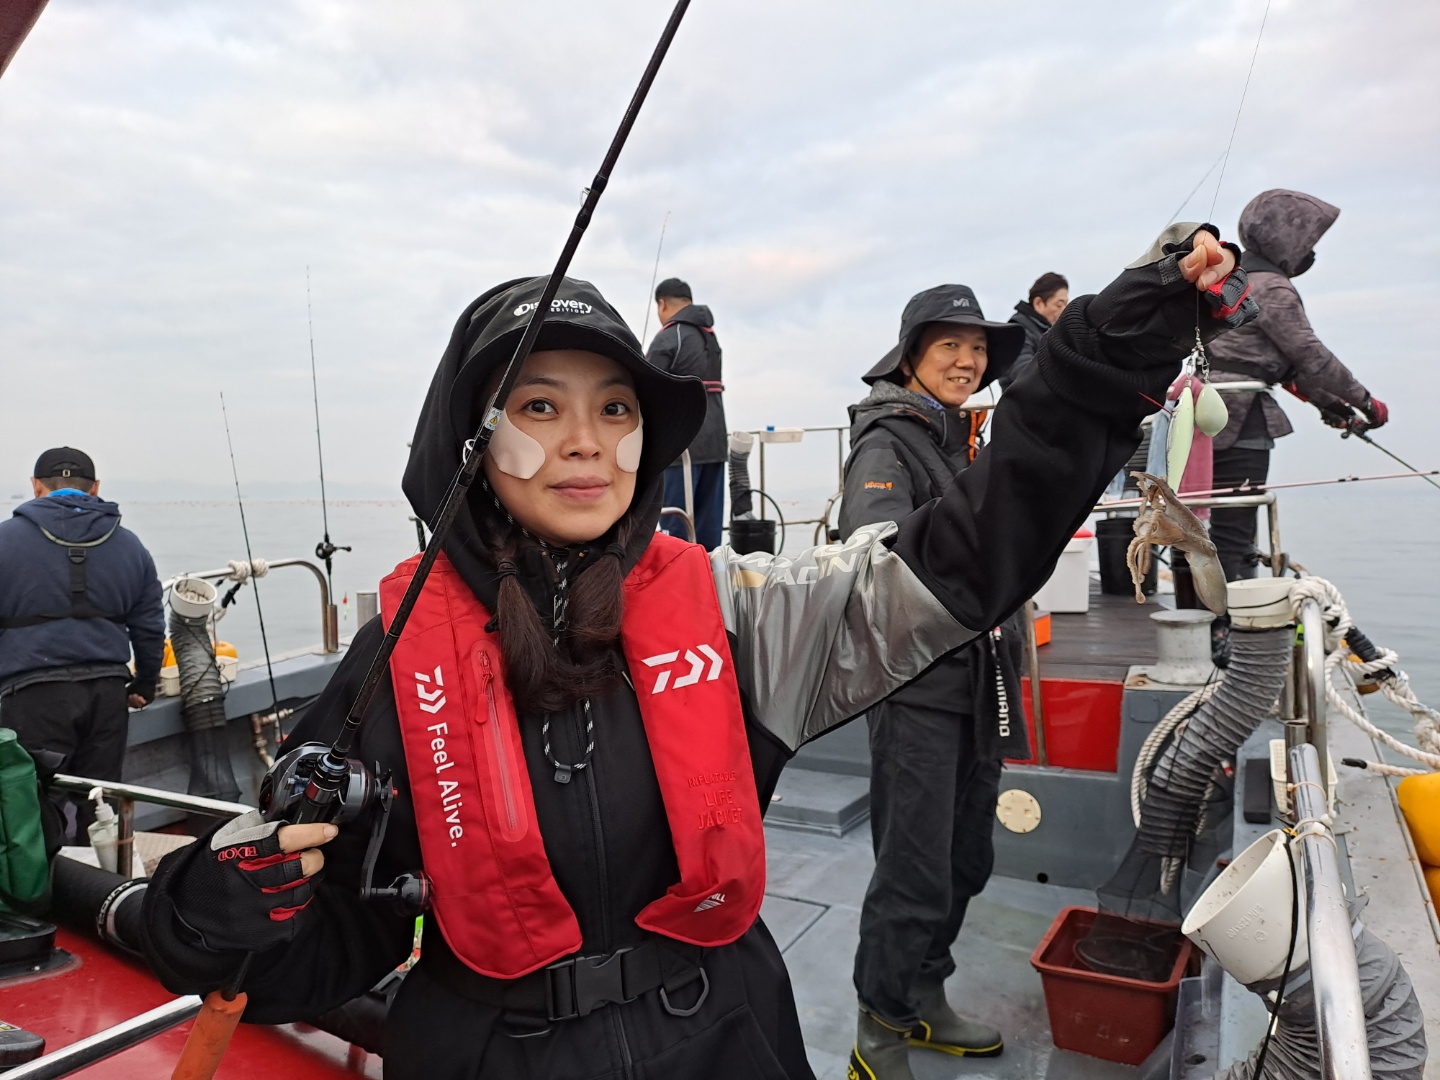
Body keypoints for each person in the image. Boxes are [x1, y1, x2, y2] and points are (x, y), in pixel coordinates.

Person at [139, 227, 1251, 1080]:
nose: (587, 440)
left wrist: (1108, 352)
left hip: (726, 1036)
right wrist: (214, 913)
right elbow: (333, 942)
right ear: (469, 441)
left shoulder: (738, 614)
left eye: (617, 408)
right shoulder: (395, 658)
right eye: (539, 405)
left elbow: (966, 553)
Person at [840, 285, 1029, 1072]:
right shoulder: (888, 440)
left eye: (978, 348)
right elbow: (872, 544)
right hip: (918, 685)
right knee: (913, 870)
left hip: (979, 682)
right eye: (950, 344)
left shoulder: (957, 440)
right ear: (912, 354)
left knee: (965, 857)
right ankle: (878, 1029)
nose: (968, 360)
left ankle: (924, 996)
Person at [1206, 189, 1388, 581]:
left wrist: (1335, 407)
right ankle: (1232, 616)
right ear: (1286, 239)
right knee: (1234, 534)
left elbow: (1286, 369)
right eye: (1308, 242)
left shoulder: (1230, 279)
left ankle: (1213, 612)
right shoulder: (1272, 287)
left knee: (1211, 527)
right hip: (1242, 420)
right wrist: (1366, 402)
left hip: (1204, 411)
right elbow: (1310, 356)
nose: (1311, 252)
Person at [0, 448, 163, 836]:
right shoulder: (130, 545)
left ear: (36, 486)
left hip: (30, 695)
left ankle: (43, 876)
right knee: (100, 802)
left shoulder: (4, 540)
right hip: (107, 694)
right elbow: (149, 626)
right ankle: (101, 873)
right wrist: (144, 685)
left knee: (32, 806)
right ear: (95, 488)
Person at [645, 277, 728, 549]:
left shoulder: (670, 336)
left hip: (682, 447)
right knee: (708, 534)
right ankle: (708, 575)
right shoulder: (710, 336)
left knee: (676, 530)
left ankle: (678, 575)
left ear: (662, 304)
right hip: (716, 442)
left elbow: (647, 387)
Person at [1001, 272, 1069, 389]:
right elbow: (1024, 372)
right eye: (1059, 305)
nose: (1064, 311)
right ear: (1038, 303)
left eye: (1066, 305)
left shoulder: (1050, 332)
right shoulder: (1017, 331)